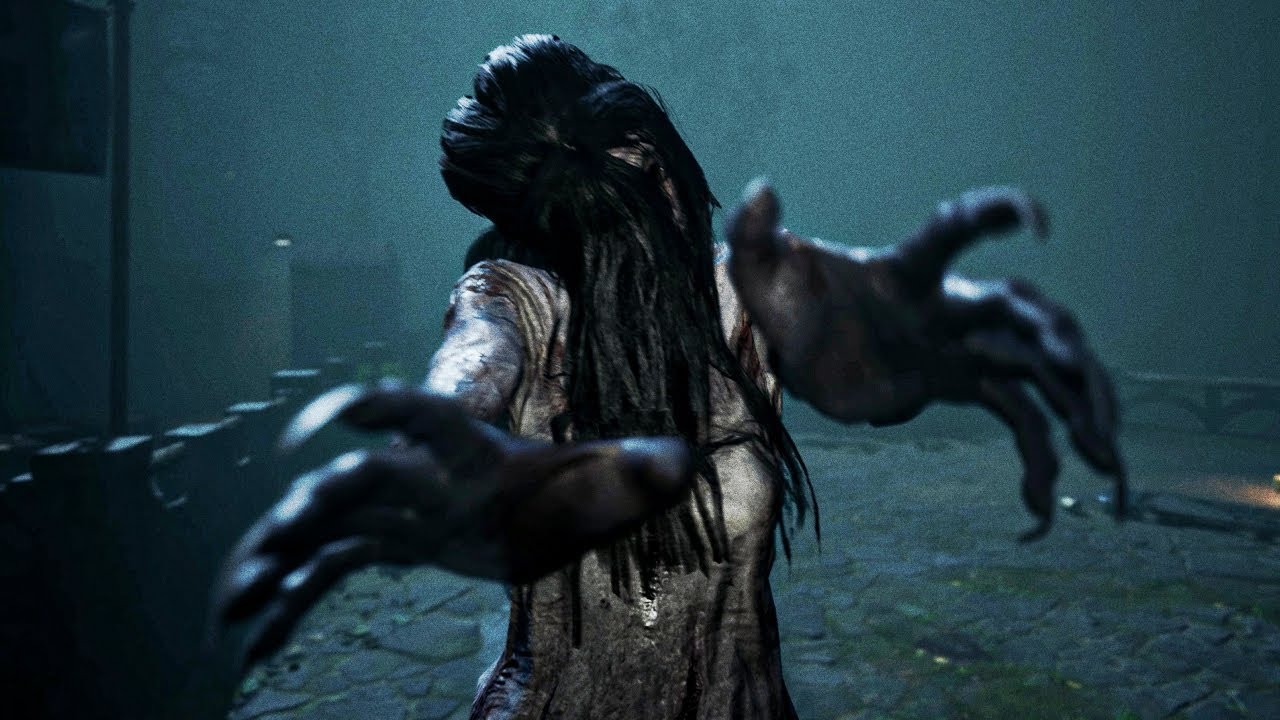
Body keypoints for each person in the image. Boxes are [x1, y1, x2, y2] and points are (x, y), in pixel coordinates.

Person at [215, 34, 1125, 719]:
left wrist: (893, 344)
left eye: (652, 168)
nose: (658, 211)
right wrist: (452, 434)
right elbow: (476, 356)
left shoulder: (743, 291)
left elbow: (847, 351)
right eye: (612, 198)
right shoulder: (518, 299)